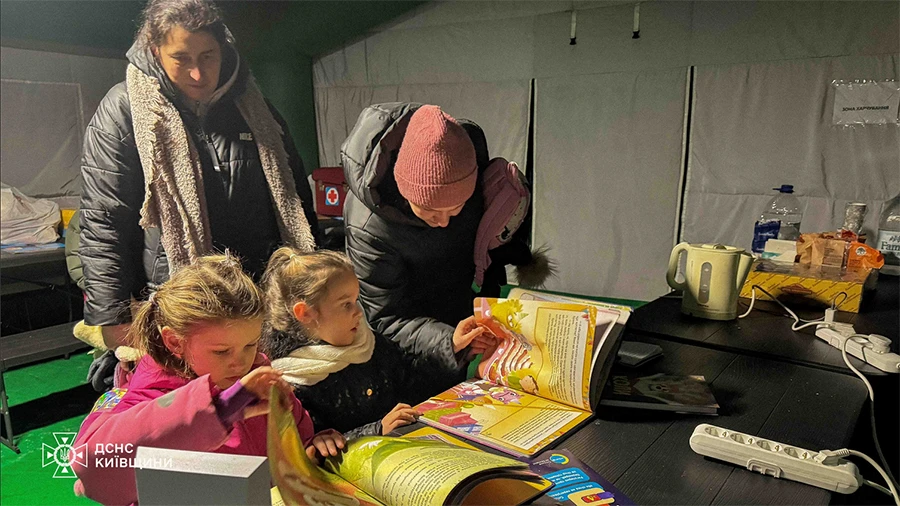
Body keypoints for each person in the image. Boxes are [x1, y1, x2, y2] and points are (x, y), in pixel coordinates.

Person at [79, 0, 319, 352]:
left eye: (208, 56)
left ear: (223, 48)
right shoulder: (124, 109)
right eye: (181, 58)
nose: (197, 74)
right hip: (178, 307)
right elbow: (104, 220)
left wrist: (313, 282)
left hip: (261, 302)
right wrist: (113, 320)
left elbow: (296, 199)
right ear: (155, 50)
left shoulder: (255, 108)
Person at [70, 255, 344, 505]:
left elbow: (293, 442)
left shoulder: (257, 378)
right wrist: (220, 410)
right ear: (175, 342)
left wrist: (312, 448)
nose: (241, 362)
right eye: (222, 351)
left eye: (250, 345)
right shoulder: (146, 396)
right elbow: (94, 471)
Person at [341, 103, 551, 393]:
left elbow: (487, 234)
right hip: (416, 349)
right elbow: (386, 317)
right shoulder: (368, 227)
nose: (443, 222)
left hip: (472, 316)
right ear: (404, 190)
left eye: (456, 209)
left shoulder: (463, 157)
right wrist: (448, 341)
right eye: (428, 211)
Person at [260, 248, 482, 438]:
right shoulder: (293, 385)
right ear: (306, 313)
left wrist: (453, 349)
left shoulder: (368, 342)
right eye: (346, 304)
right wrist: (377, 430)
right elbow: (316, 450)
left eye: (356, 300)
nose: (359, 312)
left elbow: (412, 382)